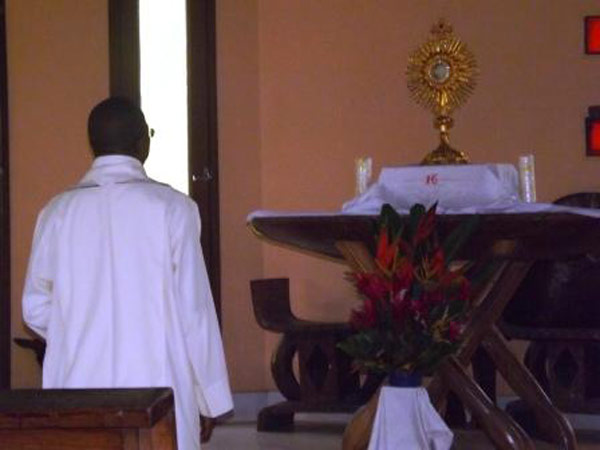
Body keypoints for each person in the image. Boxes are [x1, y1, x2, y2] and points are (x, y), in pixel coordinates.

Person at [22, 97, 233, 449]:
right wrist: (208, 398)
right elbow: (194, 312)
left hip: (78, 385)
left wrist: (75, 331)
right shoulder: (174, 209)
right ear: (142, 141)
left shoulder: (56, 212)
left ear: (93, 144)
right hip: (158, 385)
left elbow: (35, 308)